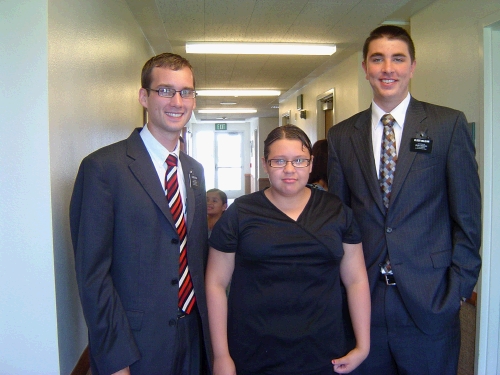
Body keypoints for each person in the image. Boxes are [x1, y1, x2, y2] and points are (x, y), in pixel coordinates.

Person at [327, 25, 481, 375]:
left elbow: (468, 216)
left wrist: (458, 289)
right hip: (363, 301)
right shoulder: (341, 136)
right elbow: (339, 219)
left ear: (413, 66)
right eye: (378, 59)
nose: (388, 69)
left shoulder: (447, 125)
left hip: (431, 298)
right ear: (364, 67)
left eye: (398, 59)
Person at [70, 53, 212, 375]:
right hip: (135, 345)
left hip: (193, 338)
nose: (177, 101)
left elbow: (195, 251)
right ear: (143, 97)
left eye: (186, 92)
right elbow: (93, 276)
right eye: (165, 90)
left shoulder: (194, 171)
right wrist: (115, 358)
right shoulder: (103, 168)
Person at [206, 124, 370, 375]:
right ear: (265, 164)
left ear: (311, 163)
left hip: (325, 351)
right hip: (254, 350)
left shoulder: (335, 211)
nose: (290, 170)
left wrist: (363, 345)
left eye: (299, 160)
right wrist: (221, 356)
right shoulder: (241, 212)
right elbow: (216, 283)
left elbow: (356, 279)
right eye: (279, 161)